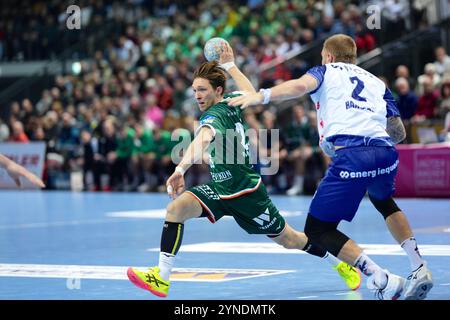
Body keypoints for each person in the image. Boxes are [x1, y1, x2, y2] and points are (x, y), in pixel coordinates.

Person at [127, 43, 361, 298]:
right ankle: (161, 278)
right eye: (194, 90)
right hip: (220, 188)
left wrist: (181, 168)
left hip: (246, 192)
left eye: (202, 90)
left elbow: (203, 138)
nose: (197, 95)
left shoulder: (214, 115)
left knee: (290, 239)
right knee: (175, 210)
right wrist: (230, 66)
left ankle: (338, 263)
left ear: (218, 90)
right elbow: (250, 92)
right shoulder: (230, 102)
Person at [228, 34, 433, 300]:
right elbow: (398, 132)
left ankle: (380, 278)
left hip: (352, 157)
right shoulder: (375, 82)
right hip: (386, 154)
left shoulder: (324, 71)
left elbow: (299, 87)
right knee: (384, 202)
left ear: (329, 56)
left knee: (317, 230)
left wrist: (262, 95)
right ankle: (419, 266)